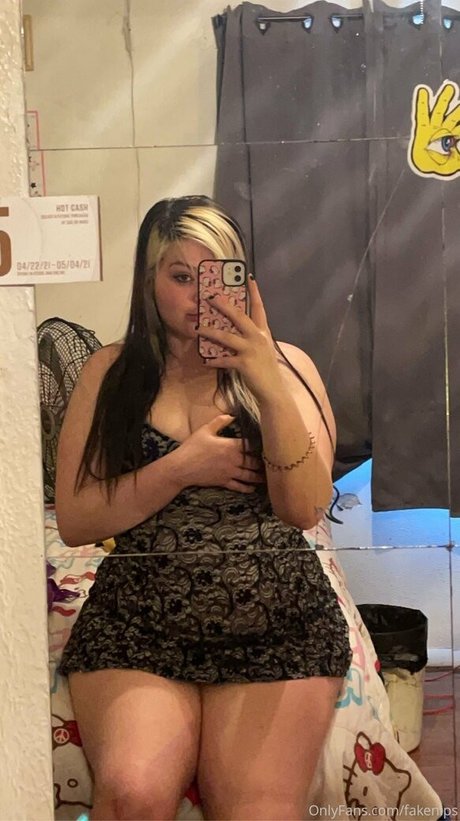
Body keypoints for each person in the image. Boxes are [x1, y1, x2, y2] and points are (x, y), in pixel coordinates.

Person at [56, 195, 352, 821]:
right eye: (179, 276)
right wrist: (180, 468)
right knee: (132, 796)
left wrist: (267, 380)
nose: (198, 296)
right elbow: (78, 520)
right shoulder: (110, 373)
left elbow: (306, 509)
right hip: (140, 623)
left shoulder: (289, 368)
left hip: (277, 625)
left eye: (215, 275)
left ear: (243, 280)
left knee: (257, 812)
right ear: (149, 281)